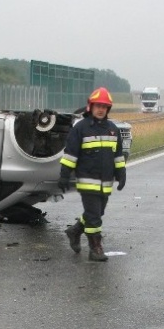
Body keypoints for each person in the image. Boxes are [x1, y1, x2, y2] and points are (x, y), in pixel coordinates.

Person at [59, 87, 126, 262]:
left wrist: (121, 172)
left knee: (96, 213)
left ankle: (74, 231)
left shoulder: (113, 129)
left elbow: (118, 154)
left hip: (106, 182)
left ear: (108, 109)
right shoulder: (81, 128)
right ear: (90, 106)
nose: (101, 109)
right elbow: (70, 154)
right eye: (98, 105)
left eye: (104, 106)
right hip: (88, 181)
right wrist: (64, 174)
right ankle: (95, 248)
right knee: (94, 216)